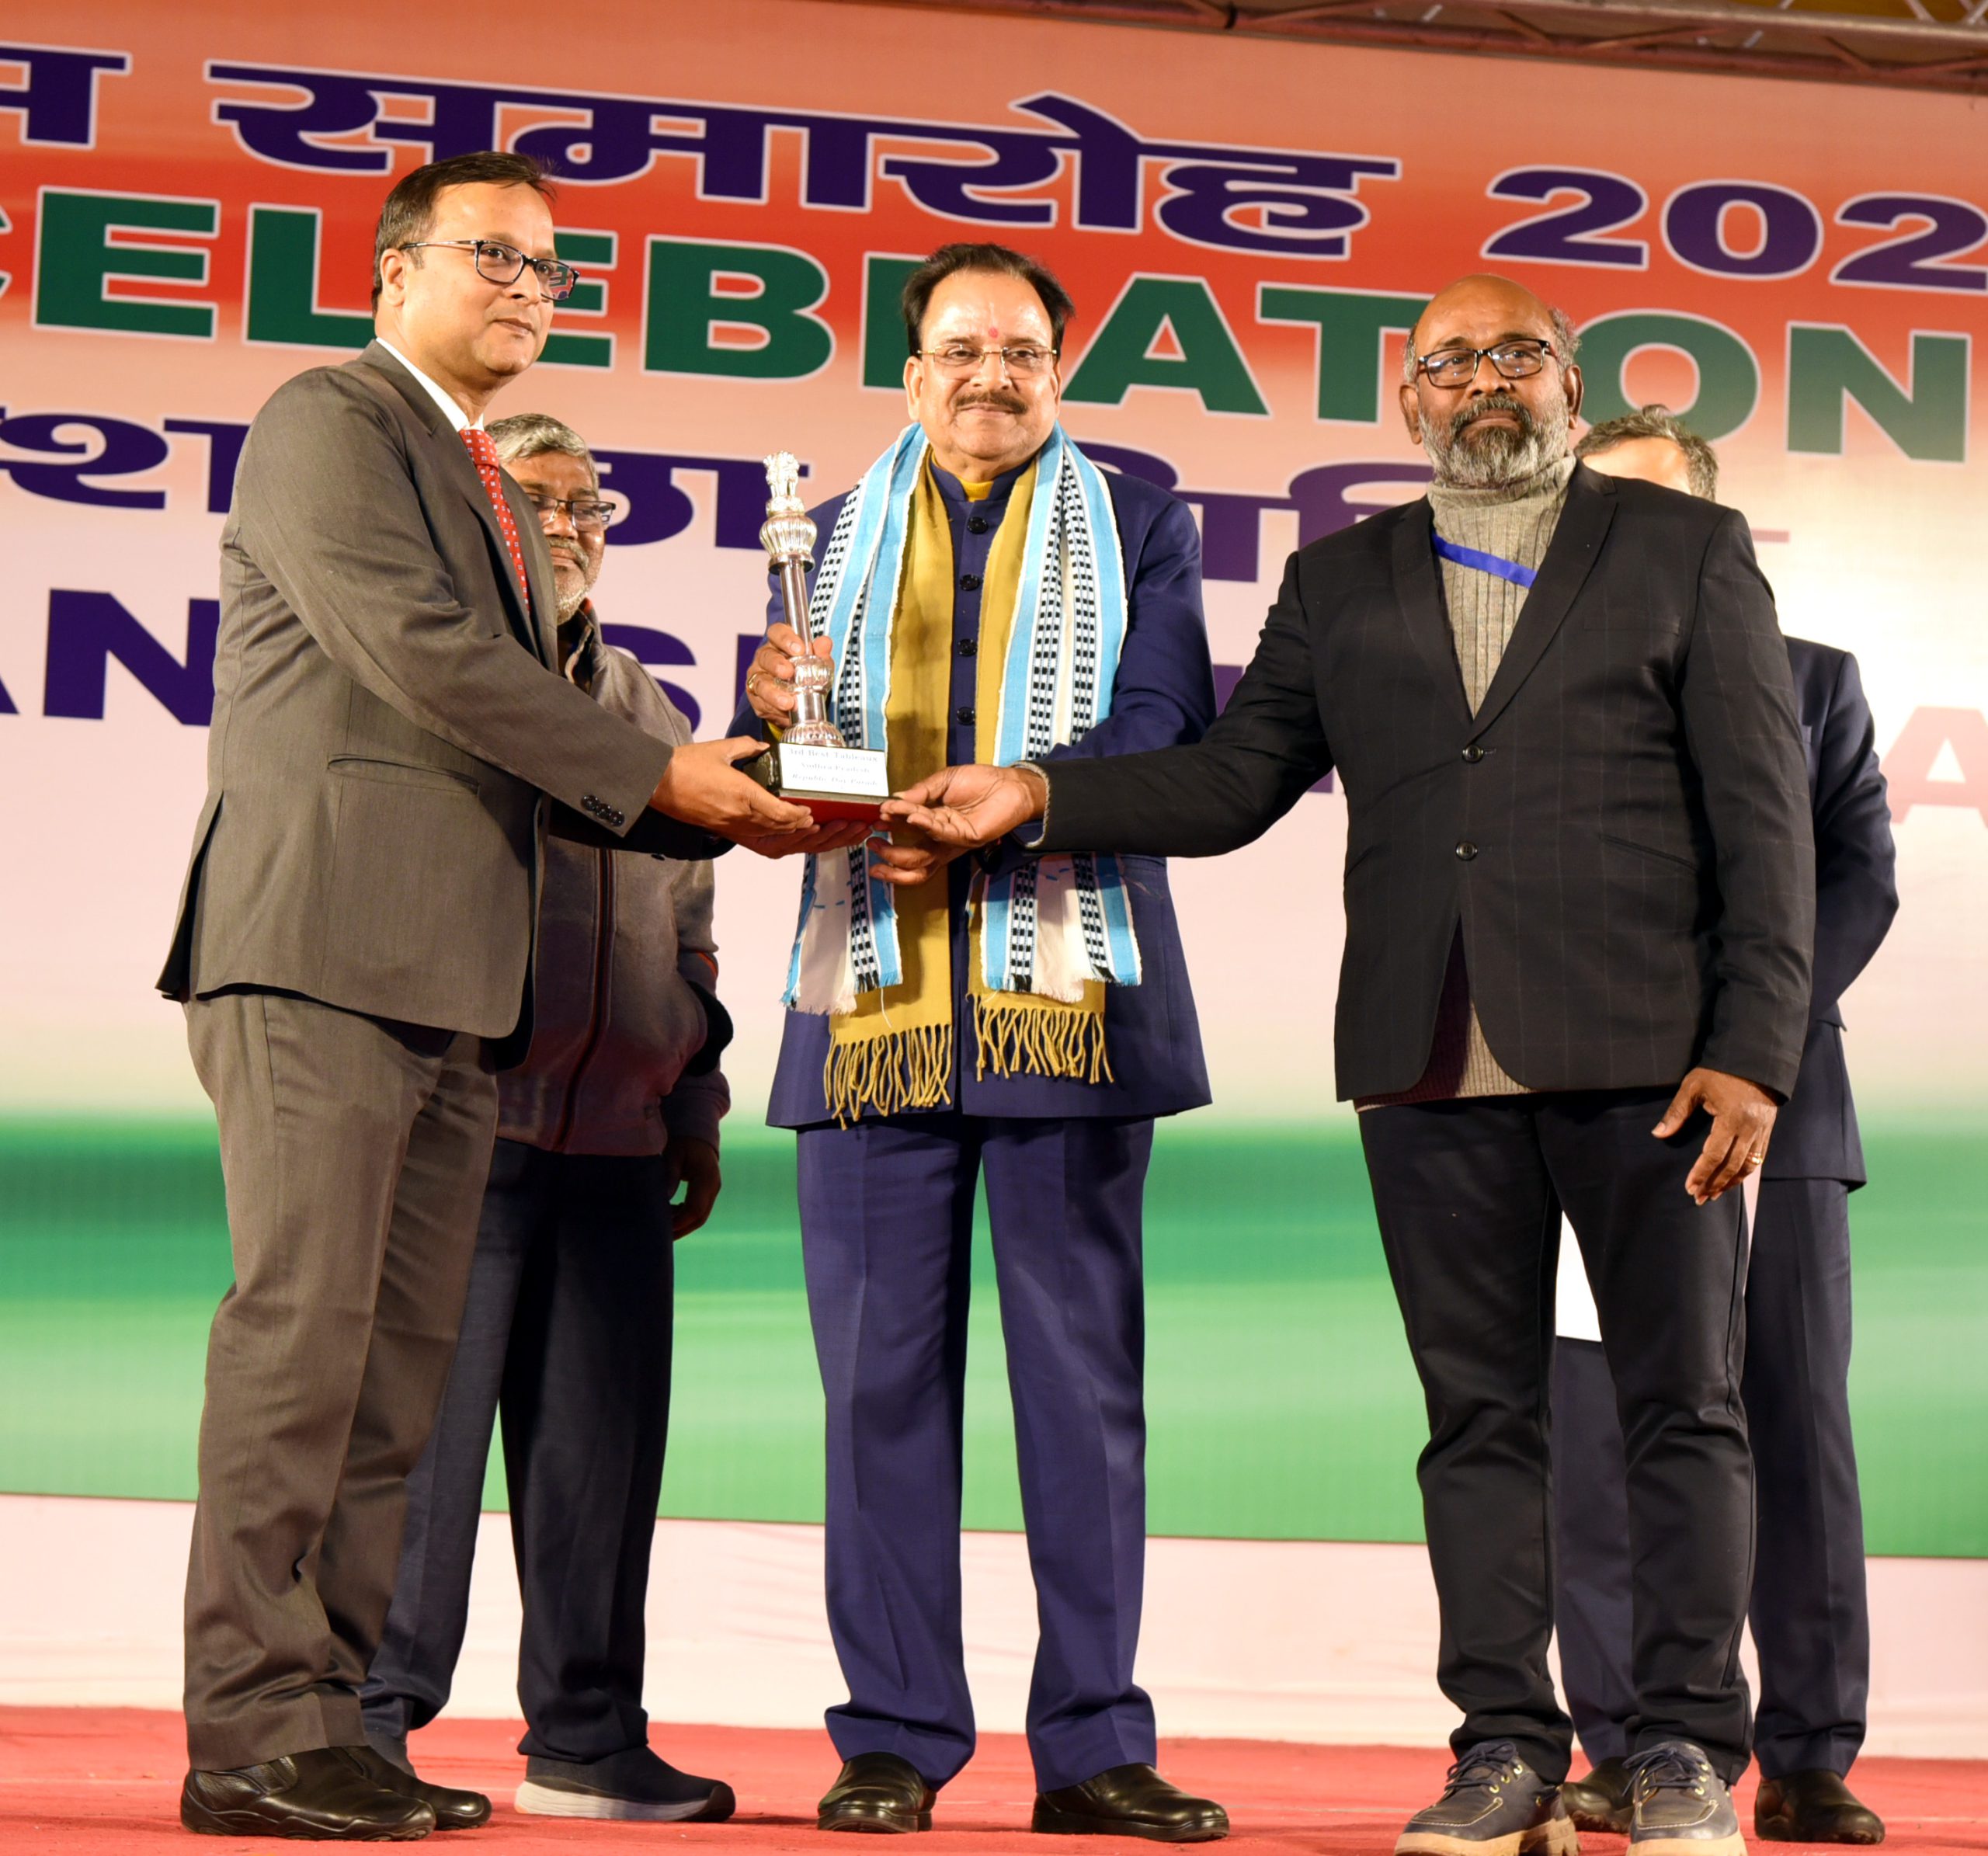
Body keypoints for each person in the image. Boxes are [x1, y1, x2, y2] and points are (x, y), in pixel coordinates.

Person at [890, 273, 1814, 1856]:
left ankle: (1677, 1748)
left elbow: (1763, 816)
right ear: (1407, 398)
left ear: (1567, 378)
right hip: (1426, 1053)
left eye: (1514, 355)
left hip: (1650, 1058)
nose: (1483, 383)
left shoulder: (1683, 547)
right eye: (1449, 362)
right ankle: (1503, 1748)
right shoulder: (1342, 576)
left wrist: (1751, 1049)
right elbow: (1233, 778)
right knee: (1476, 1420)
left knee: (1680, 1407)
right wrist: (1034, 794)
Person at [158, 151, 810, 1841]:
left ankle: (335, 1721)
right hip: (321, 948)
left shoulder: (492, 488)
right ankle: (251, 1727)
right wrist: (666, 776)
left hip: (459, 988)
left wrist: (730, 777)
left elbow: (544, 719)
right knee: (305, 1342)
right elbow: (424, 657)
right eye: (495, 255)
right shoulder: (330, 419)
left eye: (551, 268)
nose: (531, 288)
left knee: (392, 1380)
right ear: (394, 270)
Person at [735, 242, 1226, 1842]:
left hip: (1063, 1002)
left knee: (1080, 1394)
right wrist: (774, 722)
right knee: (876, 1390)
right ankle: (892, 1735)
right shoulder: (821, 536)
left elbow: (1162, 729)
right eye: (959, 349)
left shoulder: (1141, 521)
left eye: (1020, 351)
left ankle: (1092, 1744)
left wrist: (1014, 803)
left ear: (1058, 371)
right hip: (870, 1001)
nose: (988, 377)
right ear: (911, 371)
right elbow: (789, 748)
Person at [356, 413, 737, 1825]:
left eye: (589, 505)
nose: (569, 525)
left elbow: (690, 932)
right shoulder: (437, 676)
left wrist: (691, 1100)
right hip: (459, 1127)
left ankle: (586, 1734)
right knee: (414, 1457)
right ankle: (368, 1723)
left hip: (618, 1142)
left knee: (601, 1464)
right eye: (537, 499)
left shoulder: (648, 708)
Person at [1553, 408, 1897, 1847]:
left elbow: (1858, 880)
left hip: (1774, 1112)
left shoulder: (1814, 679)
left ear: (1716, 526)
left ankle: (1812, 1751)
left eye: (1652, 507)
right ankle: (1633, 1743)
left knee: (1793, 1431)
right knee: (1600, 1442)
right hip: (1598, 1112)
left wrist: (1745, 1045)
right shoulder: (1528, 692)